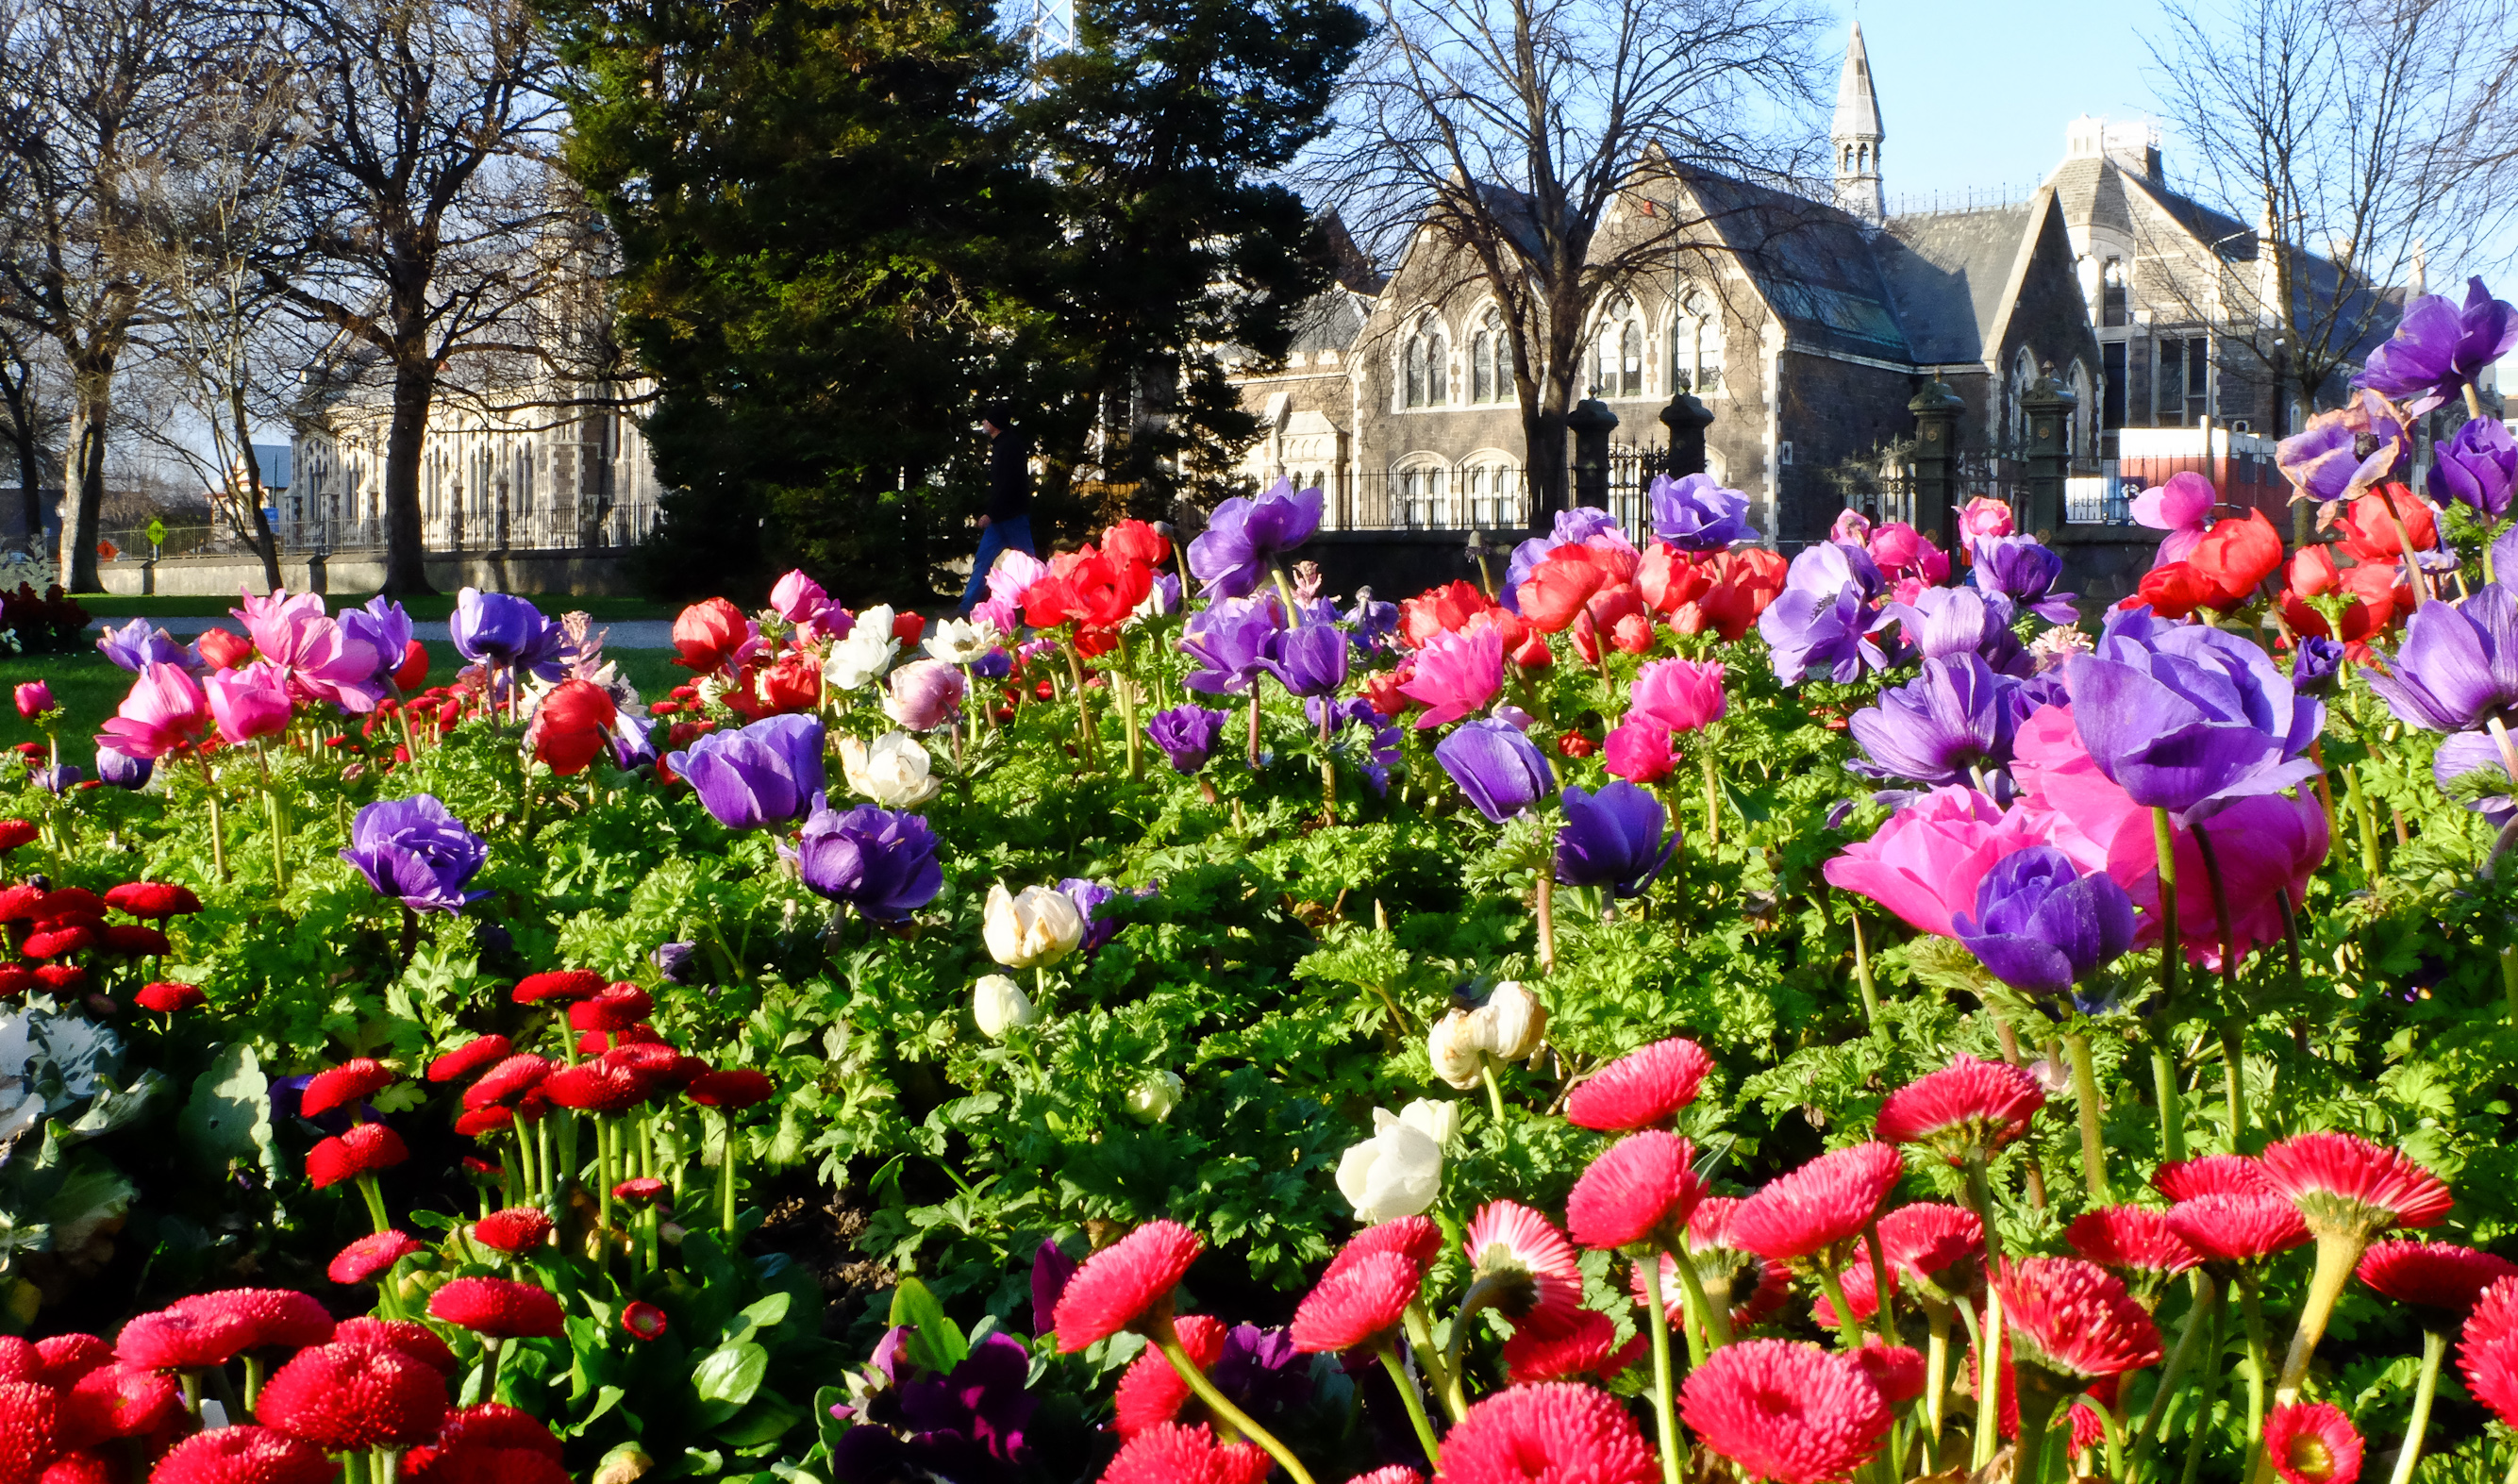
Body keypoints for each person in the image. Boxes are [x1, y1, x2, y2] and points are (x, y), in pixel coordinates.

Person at [961, 403, 1036, 612]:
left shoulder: (1009, 446)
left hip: (1013, 518)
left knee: (1030, 566)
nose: (984, 423)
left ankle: (1039, 608)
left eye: (987, 420)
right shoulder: (1003, 445)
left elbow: (1008, 484)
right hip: (1001, 519)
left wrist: (989, 513)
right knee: (982, 562)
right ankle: (966, 609)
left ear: (995, 423)